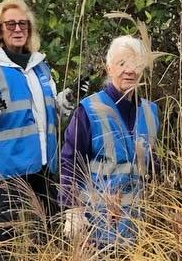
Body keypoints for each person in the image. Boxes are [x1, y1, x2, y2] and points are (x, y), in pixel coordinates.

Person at [0, 0, 66, 256]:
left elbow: (49, 110)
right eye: (10, 24)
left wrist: (64, 102)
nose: (18, 29)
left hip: (44, 166)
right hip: (12, 168)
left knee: (50, 234)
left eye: (23, 24)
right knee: (2, 239)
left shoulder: (40, 67)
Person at [59, 35, 160, 249]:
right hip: (96, 225)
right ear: (109, 69)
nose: (129, 70)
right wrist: (72, 210)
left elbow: (152, 164)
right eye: (122, 63)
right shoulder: (88, 110)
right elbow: (70, 161)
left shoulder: (151, 112)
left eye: (135, 64)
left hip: (137, 226)